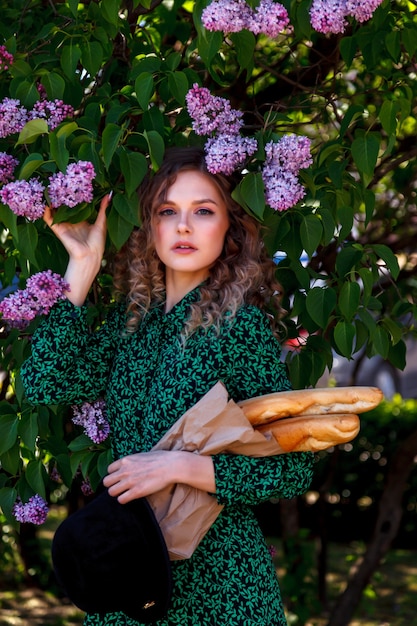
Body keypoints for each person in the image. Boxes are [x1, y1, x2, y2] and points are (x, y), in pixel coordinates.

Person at [20, 146, 314, 626]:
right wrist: (82, 266)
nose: (183, 226)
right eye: (167, 212)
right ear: (149, 227)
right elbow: (42, 383)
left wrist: (182, 467)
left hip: (220, 581)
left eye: (203, 211)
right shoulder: (131, 324)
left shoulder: (240, 328)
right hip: (127, 572)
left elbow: (293, 469)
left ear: (229, 227)